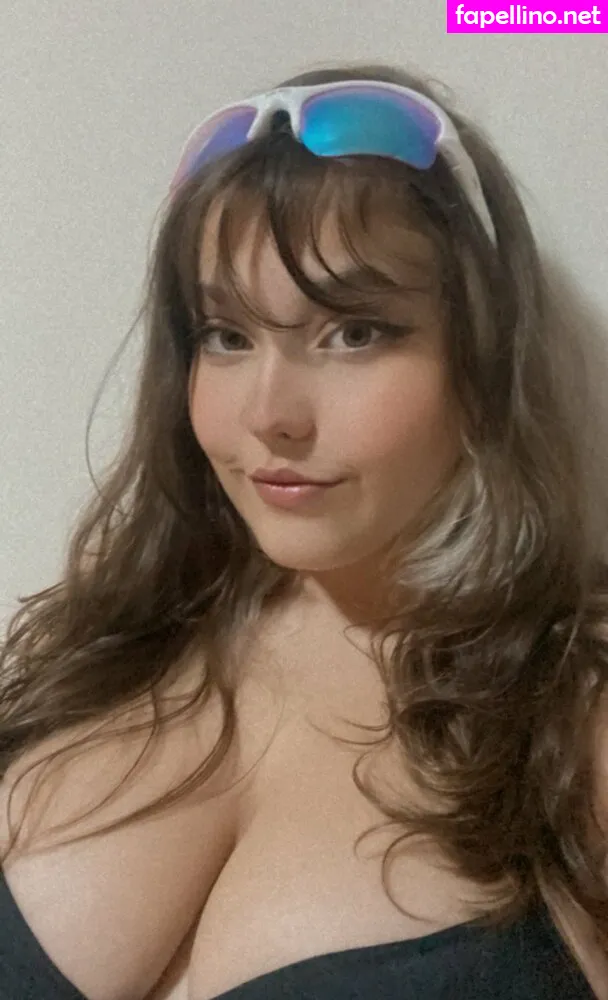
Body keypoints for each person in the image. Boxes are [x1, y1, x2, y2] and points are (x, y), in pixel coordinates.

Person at [0, 60, 607, 1000]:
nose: (270, 415)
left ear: (483, 358)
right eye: (226, 335)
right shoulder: (104, 648)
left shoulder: (571, 717)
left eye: (353, 332)